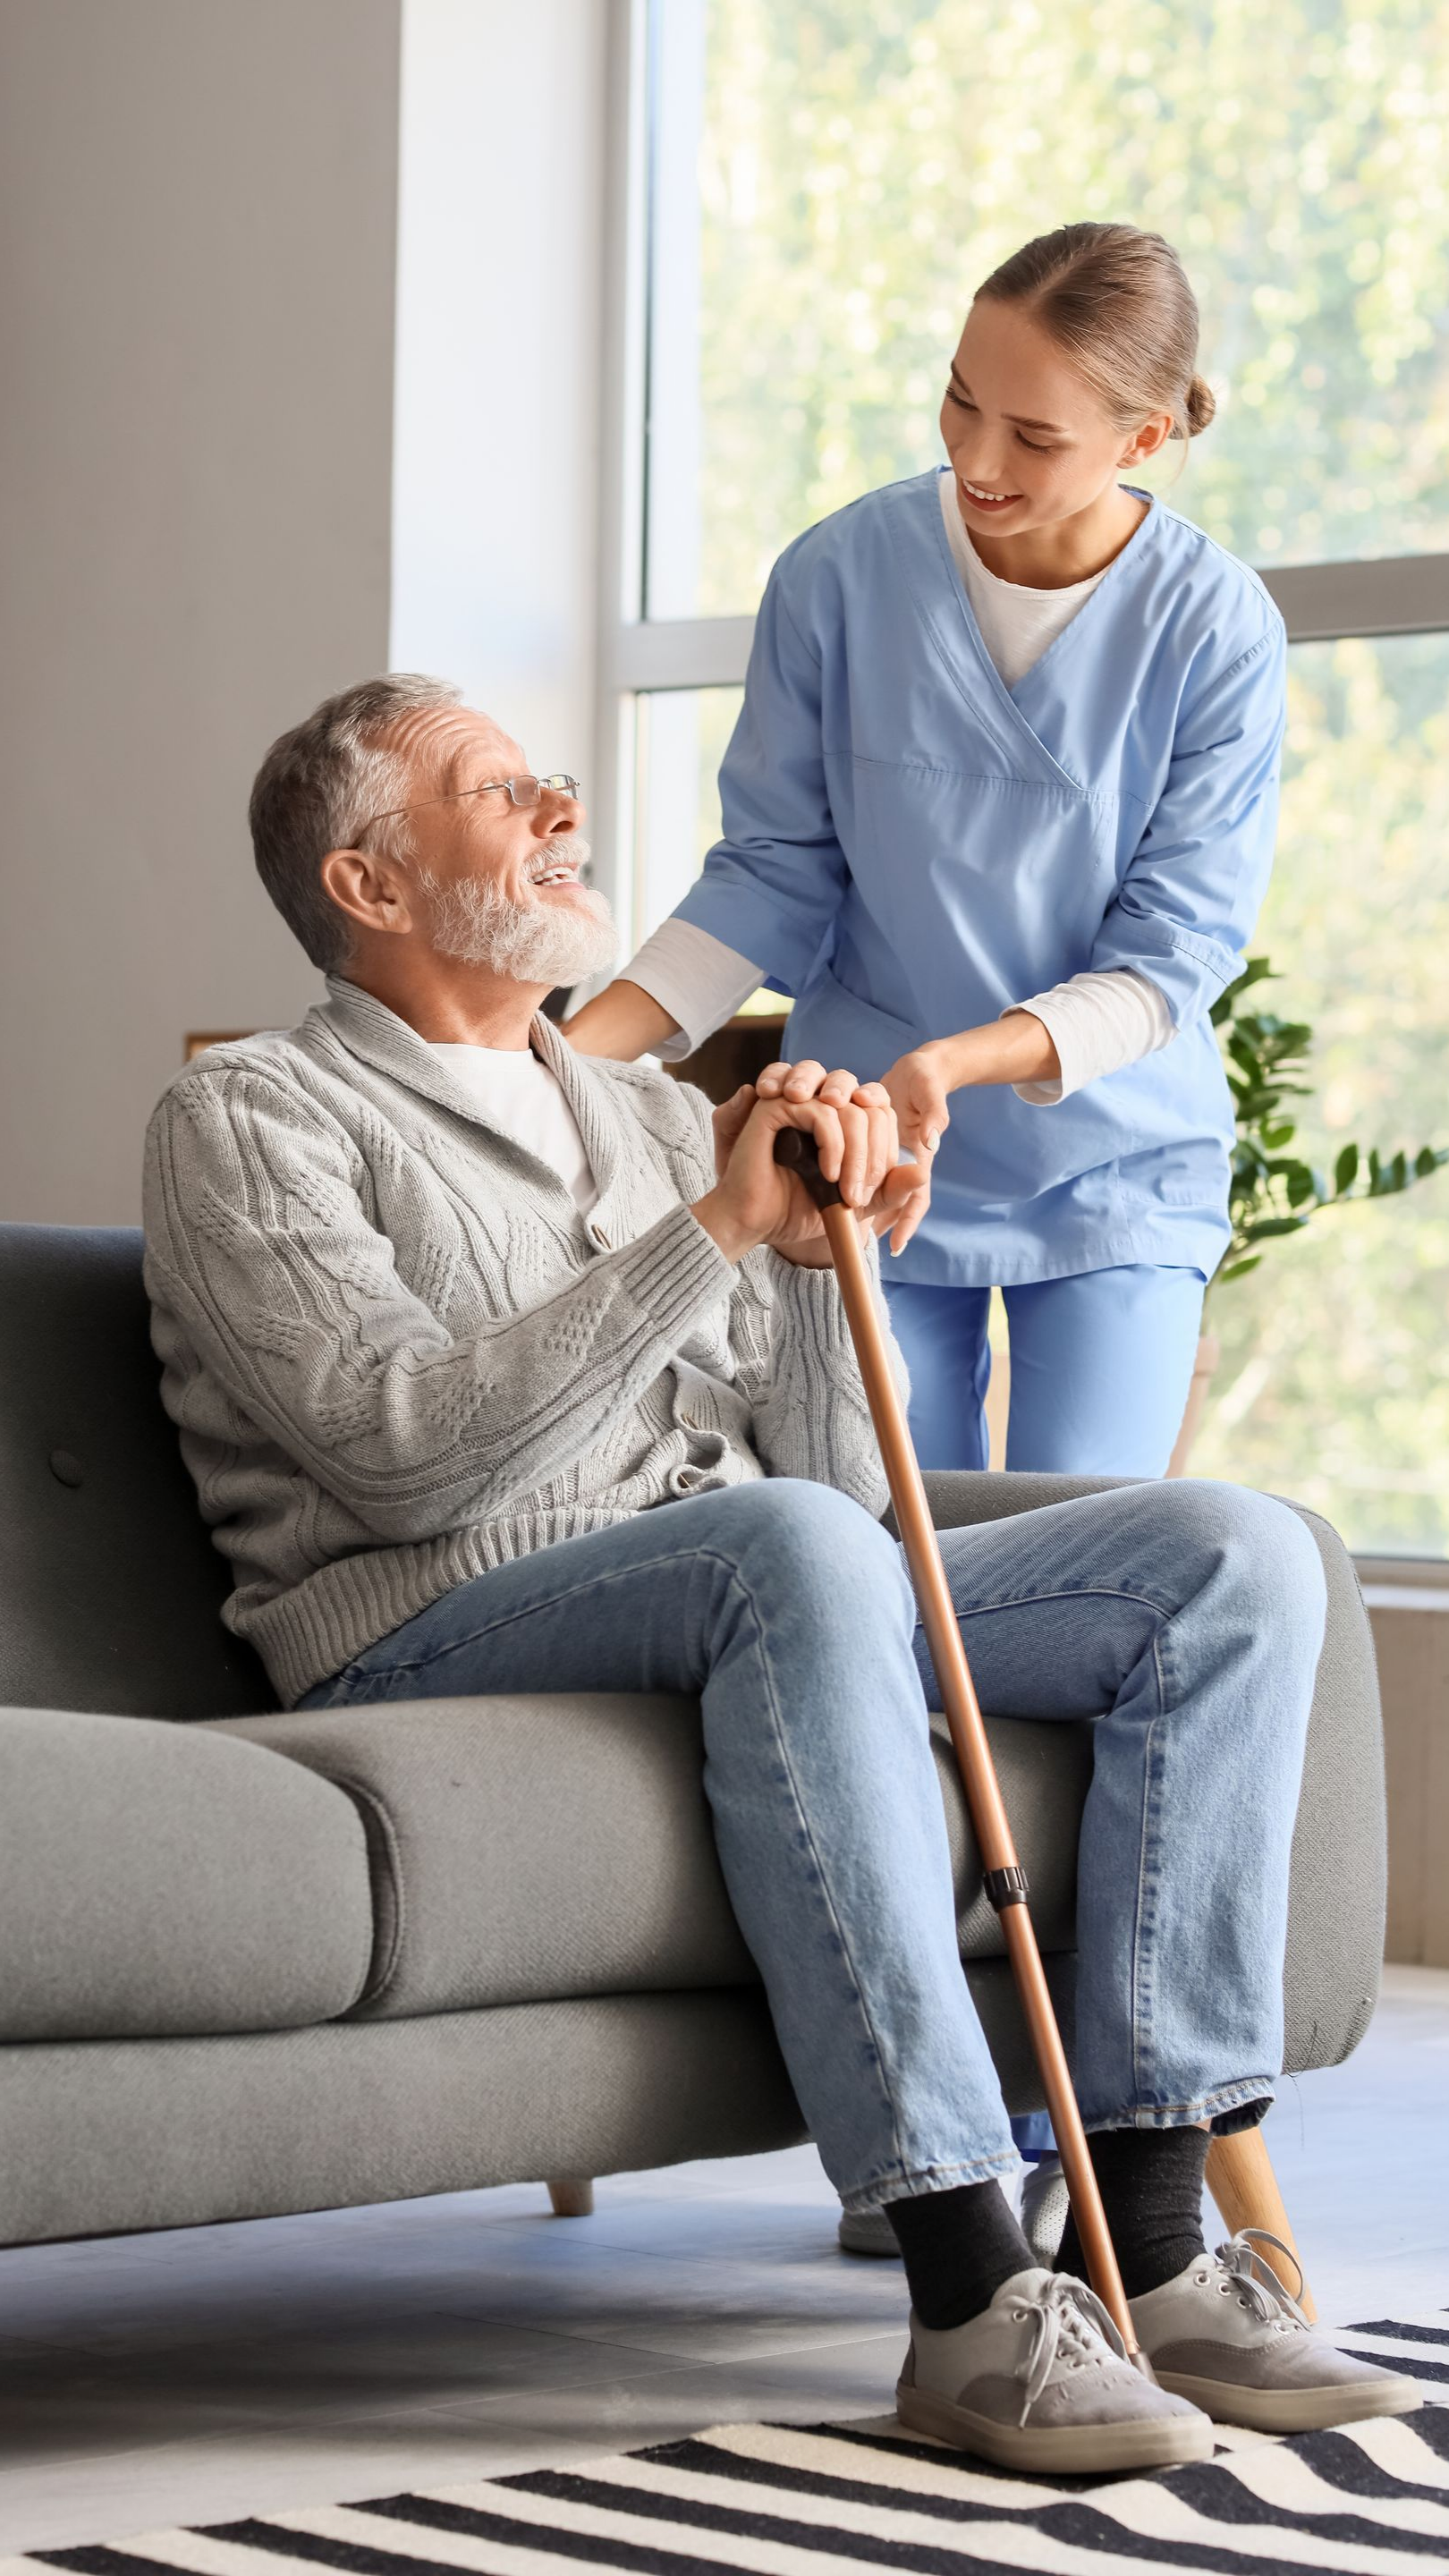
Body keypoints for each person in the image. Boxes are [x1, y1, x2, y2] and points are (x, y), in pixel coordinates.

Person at [142, 675, 1414, 2473]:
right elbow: (401, 1455)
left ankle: (1146, 2238)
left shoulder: (657, 1117)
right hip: (427, 1627)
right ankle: (970, 2290)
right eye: (508, 793)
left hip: (748, 1571)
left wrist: (822, 1260)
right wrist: (712, 1238)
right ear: (369, 883)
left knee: (1239, 1554)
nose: (563, 814)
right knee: (785, 1551)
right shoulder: (252, 1120)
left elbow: (831, 1502)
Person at [565, 219, 1288, 2254]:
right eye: (959, 404)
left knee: (1075, 1619)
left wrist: (960, 1064)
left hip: (1105, 1170)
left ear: (1151, 433)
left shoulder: (1213, 631)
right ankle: (941, 2111)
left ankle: (1097, 2146)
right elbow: (764, 886)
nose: (978, 456)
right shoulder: (842, 576)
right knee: (871, 1606)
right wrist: (565, 1058)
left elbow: (1173, 962)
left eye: (1034, 435)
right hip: (863, 1190)